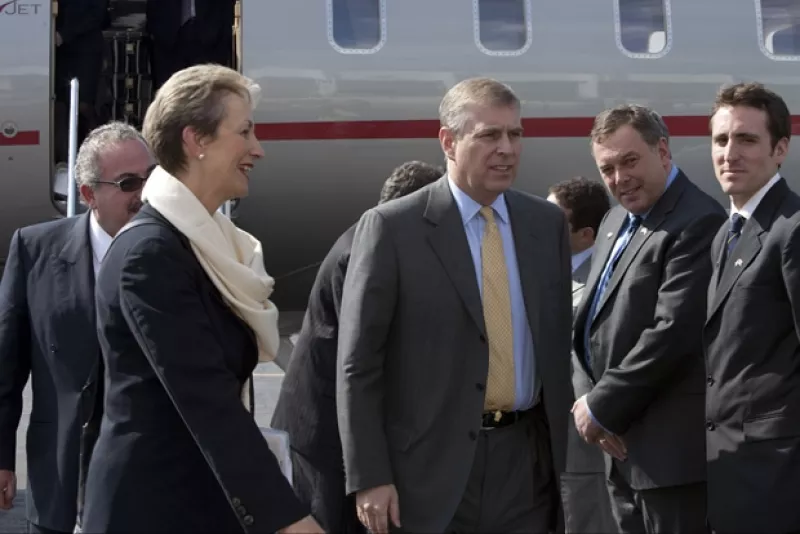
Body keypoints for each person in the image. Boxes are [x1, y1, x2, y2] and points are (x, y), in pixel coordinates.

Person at [79, 64, 322, 533]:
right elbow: (206, 399)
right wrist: (290, 520)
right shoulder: (149, 254)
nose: (258, 148)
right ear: (196, 140)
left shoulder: (205, 246)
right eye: (244, 132)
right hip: (154, 510)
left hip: (197, 502)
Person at [337, 77, 573, 533]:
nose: (507, 149)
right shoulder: (393, 229)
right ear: (448, 141)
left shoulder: (545, 225)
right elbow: (358, 365)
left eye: (515, 134)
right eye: (489, 135)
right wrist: (369, 476)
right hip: (428, 473)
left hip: (526, 466)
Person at [571, 104, 726, 534]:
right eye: (607, 169)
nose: (620, 178)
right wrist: (591, 405)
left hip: (670, 462)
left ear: (662, 151)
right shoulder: (613, 219)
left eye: (630, 161)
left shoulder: (698, 220)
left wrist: (602, 407)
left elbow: (672, 333)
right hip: (619, 451)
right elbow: (587, 324)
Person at [271, 160, 443, 534]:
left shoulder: (368, 240)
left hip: (333, 431)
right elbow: (365, 360)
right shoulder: (367, 253)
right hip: (328, 439)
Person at [0, 121, 153, 534]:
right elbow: (6, 367)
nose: (144, 194)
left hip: (147, 482)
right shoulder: (33, 249)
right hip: (60, 476)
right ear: (88, 195)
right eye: (128, 183)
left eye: (151, 178)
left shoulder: (176, 253)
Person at [703, 82, 799, 534]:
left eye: (746, 139)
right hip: (734, 469)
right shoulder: (727, 234)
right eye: (721, 140)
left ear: (780, 149)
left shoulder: (792, 230)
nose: (729, 154)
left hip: (778, 475)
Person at [547, 177, 615, 534]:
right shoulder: (555, 273)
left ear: (586, 235)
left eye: (554, 221)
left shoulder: (596, 283)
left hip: (585, 446)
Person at [146, 0, 236, 90]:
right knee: (172, 91)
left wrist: (223, 32)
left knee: (209, 91)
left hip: (210, 38)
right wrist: (156, 30)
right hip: (169, 37)